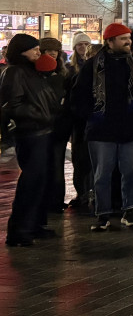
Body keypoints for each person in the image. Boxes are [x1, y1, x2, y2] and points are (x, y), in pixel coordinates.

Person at [74, 23, 133, 231]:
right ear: (109, 42)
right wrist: (91, 117)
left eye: (129, 37)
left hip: (130, 128)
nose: (128, 41)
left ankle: (130, 210)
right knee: (102, 173)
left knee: (131, 171)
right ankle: (102, 213)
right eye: (123, 38)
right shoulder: (93, 66)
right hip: (101, 129)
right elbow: (80, 96)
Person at [3, 36, 64, 246]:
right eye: (34, 49)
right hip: (31, 134)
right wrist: (40, 115)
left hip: (44, 132)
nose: (39, 53)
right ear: (21, 51)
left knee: (41, 182)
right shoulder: (15, 72)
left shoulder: (34, 72)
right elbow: (13, 105)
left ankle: (35, 225)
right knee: (31, 182)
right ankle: (20, 231)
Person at [38, 37, 70, 214]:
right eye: (48, 50)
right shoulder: (34, 75)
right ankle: (44, 200)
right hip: (41, 127)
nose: (52, 53)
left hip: (58, 128)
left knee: (57, 164)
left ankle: (56, 201)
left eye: (55, 51)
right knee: (43, 164)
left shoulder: (63, 76)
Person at [64, 32, 93, 210]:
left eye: (86, 44)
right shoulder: (70, 68)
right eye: (80, 44)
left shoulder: (96, 66)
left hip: (92, 119)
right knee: (79, 158)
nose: (83, 47)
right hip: (77, 121)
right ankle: (81, 192)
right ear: (75, 47)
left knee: (92, 158)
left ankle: (90, 191)